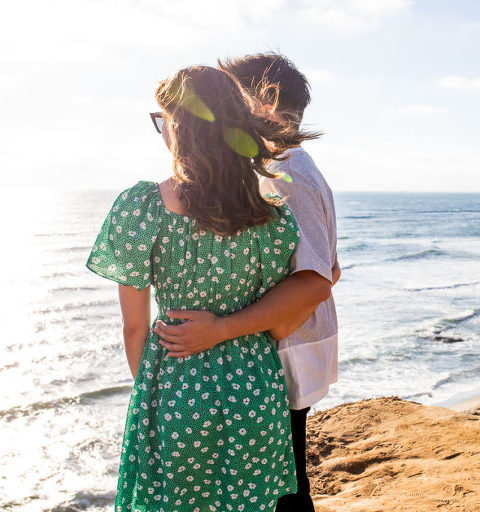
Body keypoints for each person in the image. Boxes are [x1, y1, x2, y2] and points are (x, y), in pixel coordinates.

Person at [86, 65, 316, 512]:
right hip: (256, 395)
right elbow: (284, 317)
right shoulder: (271, 215)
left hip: (175, 390)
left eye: (163, 120)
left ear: (179, 127)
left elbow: (135, 329)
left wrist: (154, 394)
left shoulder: (142, 208)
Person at [154, 53, 339, 512]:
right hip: (278, 348)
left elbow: (315, 281)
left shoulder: (288, 174)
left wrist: (220, 328)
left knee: (282, 492)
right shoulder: (277, 168)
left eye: (232, 101)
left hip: (284, 353)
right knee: (278, 484)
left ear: (264, 107)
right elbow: (325, 269)